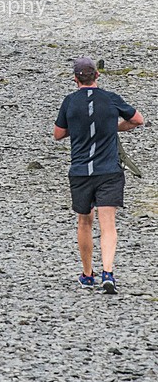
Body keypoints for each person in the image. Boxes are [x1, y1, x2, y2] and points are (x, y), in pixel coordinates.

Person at [54, 57, 143, 293]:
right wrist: (113, 127)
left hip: (81, 171)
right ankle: (108, 272)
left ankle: (86, 274)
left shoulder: (69, 102)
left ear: (75, 79)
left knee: (84, 221)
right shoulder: (110, 98)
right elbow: (137, 120)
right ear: (97, 76)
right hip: (109, 170)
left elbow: (58, 133)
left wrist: (81, 128)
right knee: (108, 224)